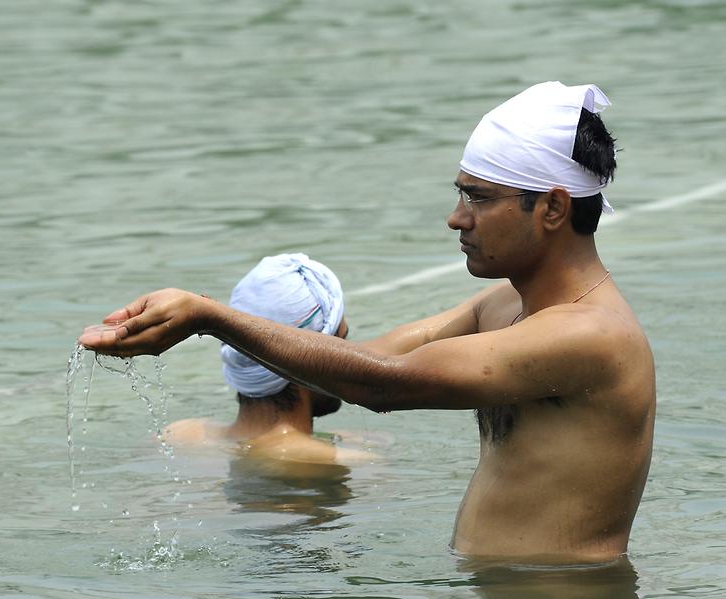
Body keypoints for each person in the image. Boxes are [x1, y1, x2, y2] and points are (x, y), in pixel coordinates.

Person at [80, 81, 656, 564]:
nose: (457, 219)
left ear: (552, 208)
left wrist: (210, 318)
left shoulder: (589, 336)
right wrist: (203, 315)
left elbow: (384, 383)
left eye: (479, 199)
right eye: (461, 195)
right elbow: (363, 361)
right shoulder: (505, 306)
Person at [161, 253, 371, 465]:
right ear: (318, 358)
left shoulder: (178, 435)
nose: (349, 355)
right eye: (343, 342)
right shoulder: (339, 463)